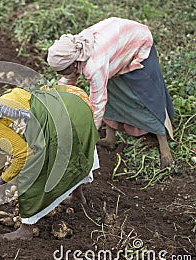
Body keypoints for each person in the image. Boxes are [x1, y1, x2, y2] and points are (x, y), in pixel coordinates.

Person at [0, 85, 99, 240]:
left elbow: (23, 154)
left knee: (29, 172)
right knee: (67, 155)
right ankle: (78, 195)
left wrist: (2, 181)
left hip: (60, 117)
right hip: (67, 106)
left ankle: (25, 230)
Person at [47, 17, 175, 168]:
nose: (60, 74)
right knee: (112, 93)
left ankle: (164, 146)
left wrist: (90, 135)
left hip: (137, 42)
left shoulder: (94, 65)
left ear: (73, 63)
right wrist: (53, 102)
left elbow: (98, 103)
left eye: (61, 71)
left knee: (146, 97)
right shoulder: (75, 51)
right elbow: (66, 82)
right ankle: (110, 139)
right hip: (115, 46)